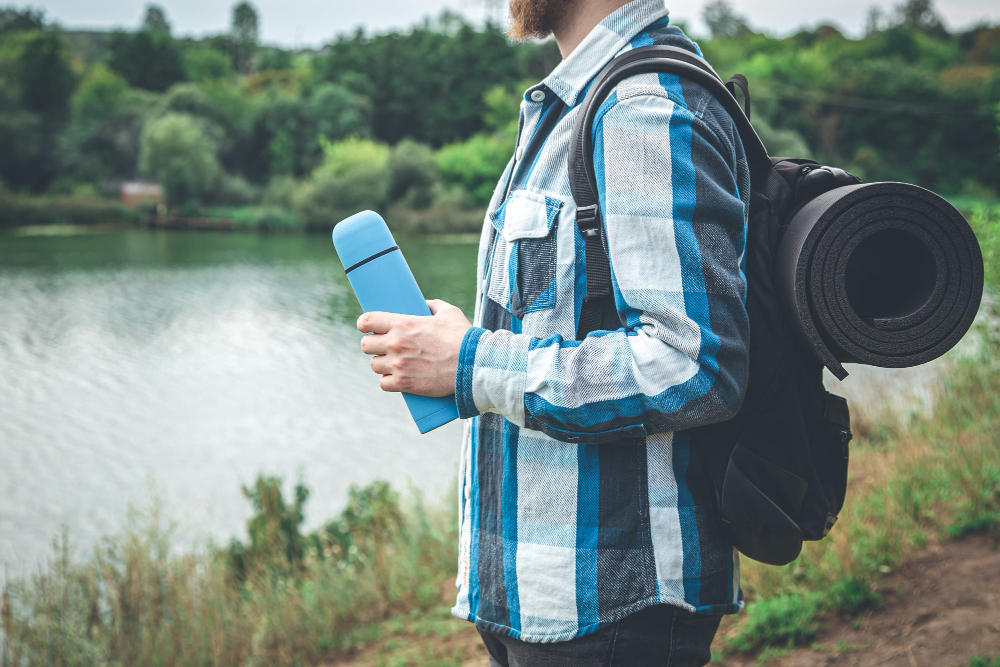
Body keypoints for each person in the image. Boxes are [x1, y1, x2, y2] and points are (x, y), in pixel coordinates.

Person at [356, 0, 750, 663]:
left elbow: (692, 365)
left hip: (611, 609)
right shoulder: (578, 100)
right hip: (540, 596)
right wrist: (463, 341)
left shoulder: (644, 108)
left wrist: (469, 362)